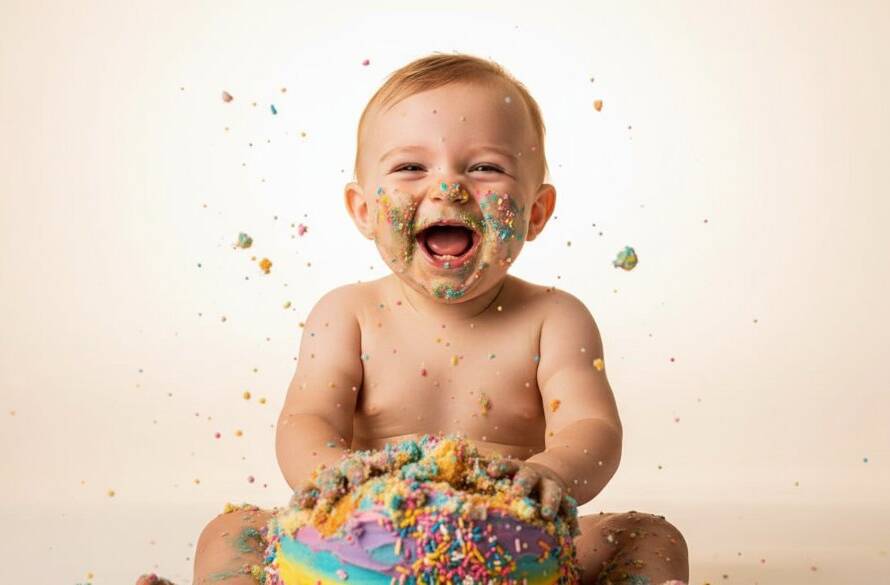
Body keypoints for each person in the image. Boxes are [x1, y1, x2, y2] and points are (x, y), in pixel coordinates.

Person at [139, 52, 689, 585]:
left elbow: (592, 429)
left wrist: (550, 475)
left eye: (485, 168)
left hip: (509, 542)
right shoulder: (347, 313)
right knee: (232, 529)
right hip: (361, 542)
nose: (448, 187)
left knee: (646, 535)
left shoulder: (554, 317)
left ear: (536, 211)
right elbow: (306, 422)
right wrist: (335, 477)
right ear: (363, 210)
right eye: (410, 167)